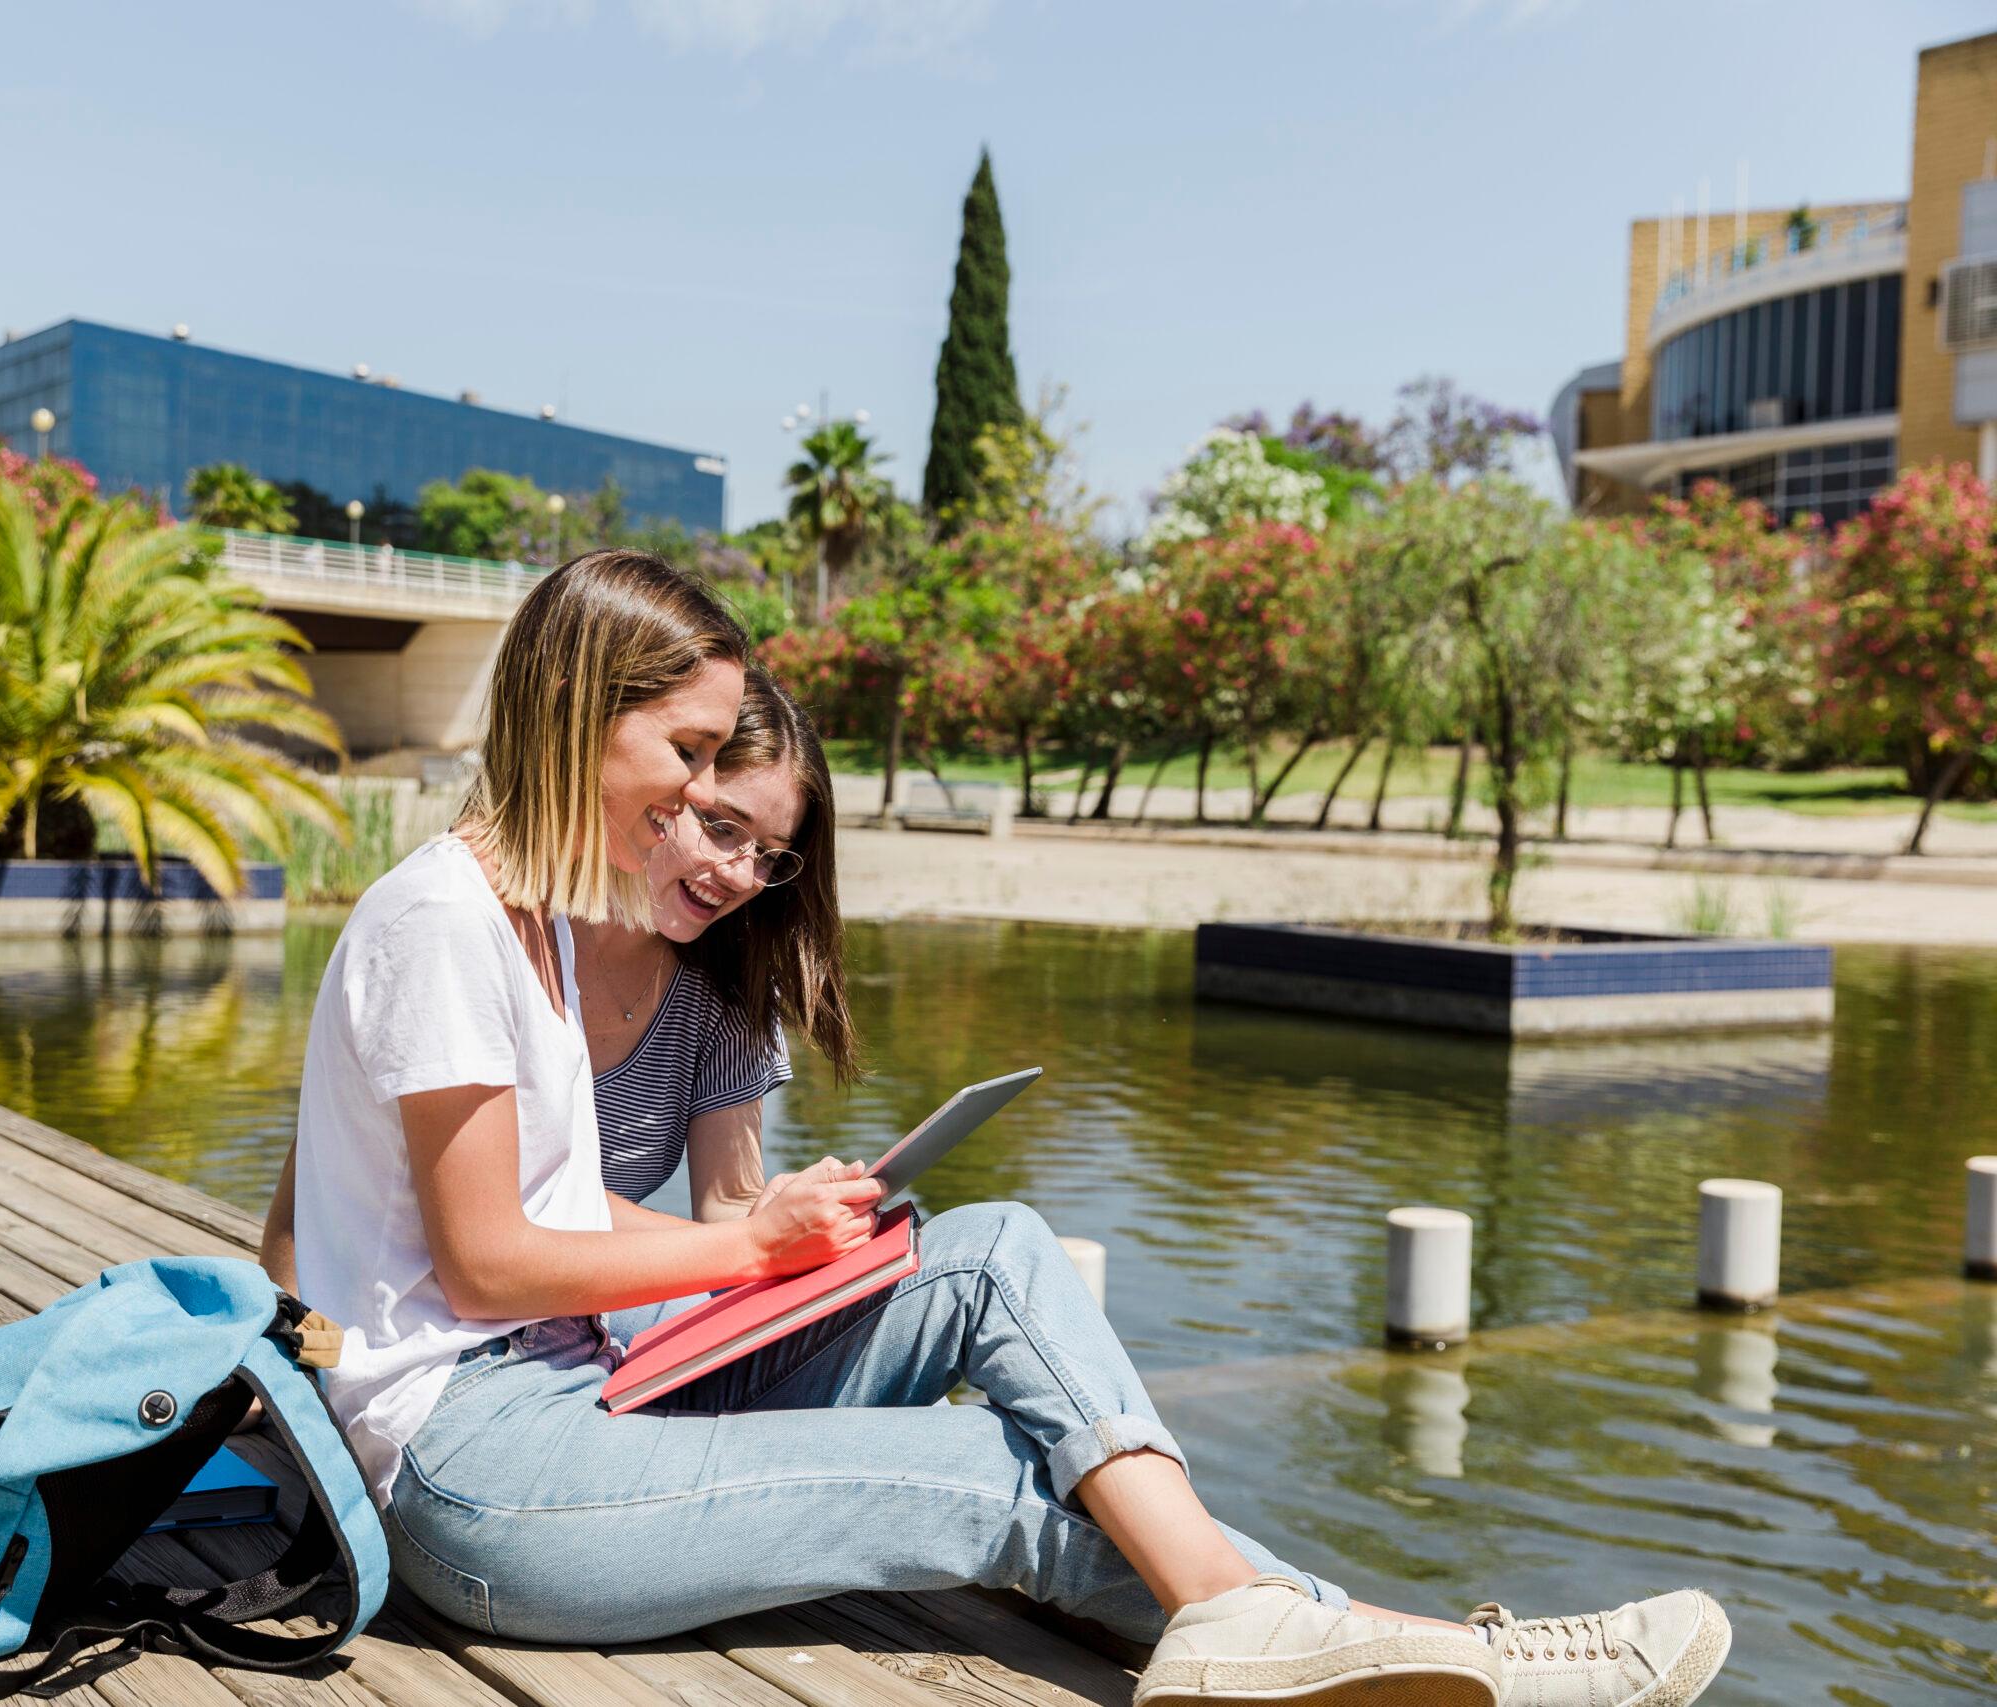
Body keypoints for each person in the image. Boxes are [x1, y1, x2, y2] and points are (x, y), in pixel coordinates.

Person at [261, 548, 1729, 1707]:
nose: (708, 792)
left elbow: (551, 1223)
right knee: (984, 1475)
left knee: (994, 1251)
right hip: (479, 1477)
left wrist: (774, 1249)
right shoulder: (443, 920)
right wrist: (740, 1236)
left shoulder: (552, 929)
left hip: (579, 1401)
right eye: (693, 750)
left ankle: (1309, 1632)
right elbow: (487, 1265)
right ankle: (1423, 1650)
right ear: (589, 710)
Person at [574, 667, 856, 1221]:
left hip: (597, 1301)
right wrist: (748, 1245)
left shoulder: (727, 992)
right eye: (723, 827)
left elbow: (728, 1204)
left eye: (771, 855)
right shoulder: (506, 933)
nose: (742, 875)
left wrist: (774, 1214)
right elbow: (512, 1211)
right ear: (667, 790)